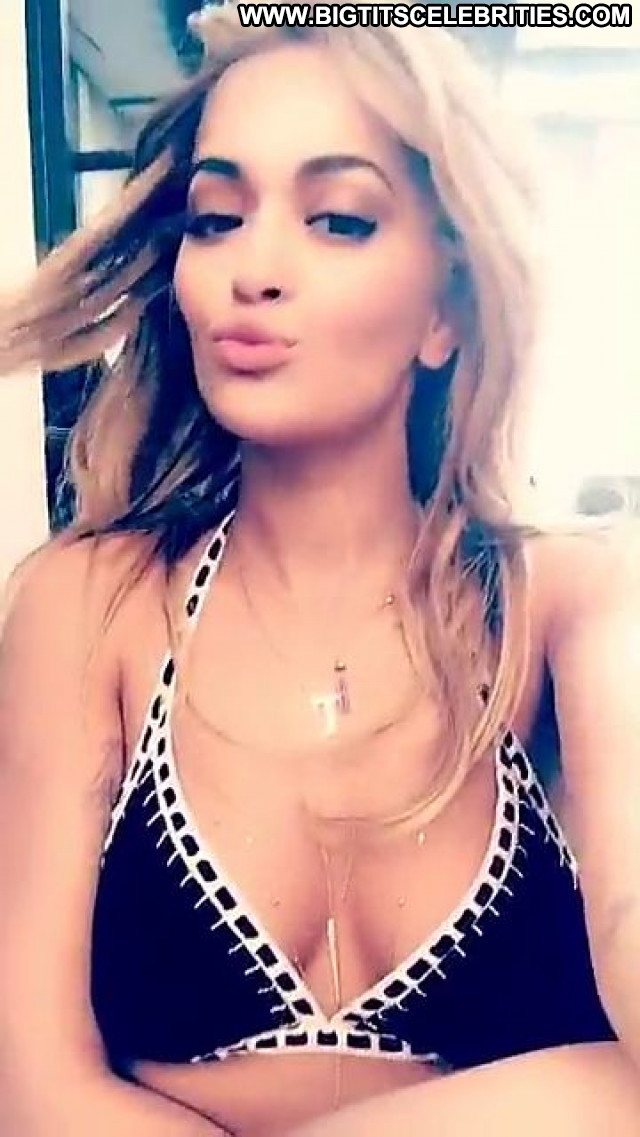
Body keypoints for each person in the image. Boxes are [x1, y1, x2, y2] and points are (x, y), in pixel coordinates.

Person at [1, 5, 640, 1136]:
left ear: (446, 311)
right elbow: (34, 1089)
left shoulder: (566, 602)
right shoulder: (87, 605)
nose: (254, 269)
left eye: (339, 219)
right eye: (216, 219)